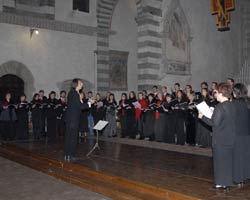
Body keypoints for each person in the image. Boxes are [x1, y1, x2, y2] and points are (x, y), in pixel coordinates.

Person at [199, 83, 235, 189]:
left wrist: (202, 117)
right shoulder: (231, 105)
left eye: (216, 92)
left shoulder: (220, 106)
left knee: (219, 162)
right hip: (229, 137)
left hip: (220, 139)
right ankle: (227, 183)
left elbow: (214, 123)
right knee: (227, 162)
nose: (215, 95)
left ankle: (220, 183)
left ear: (221, 93)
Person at [64, 79, 95, 161]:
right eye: (81, 83)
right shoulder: (75, 94)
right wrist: (90, 103)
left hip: (71, 118)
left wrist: (84, 103)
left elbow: (77, 105)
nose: (82, 84)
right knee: (73, 137)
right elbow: (80, 106)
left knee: (69, 136)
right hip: (73, 119)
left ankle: (67, 154)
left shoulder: (72, 93)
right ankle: (71, 155)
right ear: (76, 84)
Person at [232, 83, 250, 186]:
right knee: (245, 156)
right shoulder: (248, 102)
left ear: (236, 93)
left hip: (237, 133)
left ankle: (239, 179)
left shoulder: (235, 104)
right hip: (247, 133)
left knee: (237, 157)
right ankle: (245, 175)